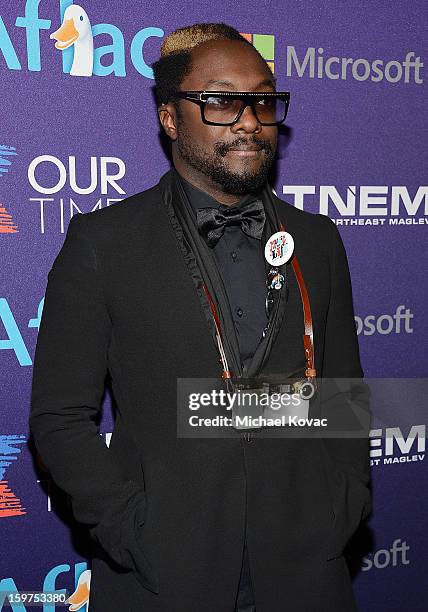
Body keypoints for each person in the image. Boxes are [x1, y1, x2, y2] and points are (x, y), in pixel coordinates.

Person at [29, 22, 372, 612]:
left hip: (306, 571)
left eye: (262, 100)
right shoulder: (103, 243)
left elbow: (342, 396)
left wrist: (343, 504)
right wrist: (130, 530)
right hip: (163, 576)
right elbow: (60, 417)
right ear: (170, 117)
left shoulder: (317, 240)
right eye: (219, 100)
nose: (248, 119)